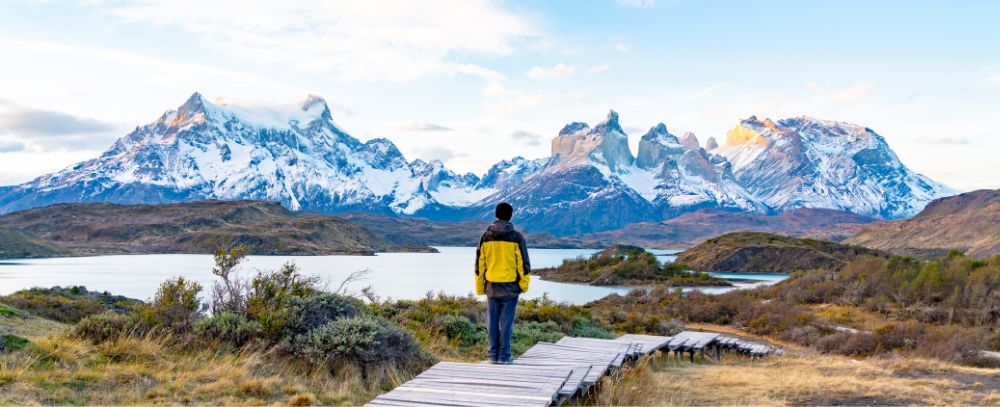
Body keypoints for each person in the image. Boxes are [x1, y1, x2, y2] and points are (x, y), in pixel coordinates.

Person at [474, 202, 530, 364]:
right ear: (510, 216)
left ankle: (492, 356)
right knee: (506, 322)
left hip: (492, 286)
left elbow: (479, 265)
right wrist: (523, 285)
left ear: (496, 215)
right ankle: (504, 357)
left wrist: (480, 287)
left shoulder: (485, 236)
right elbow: (524, 264)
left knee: (492, 321)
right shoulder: (516, 237)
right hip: (511, 287)